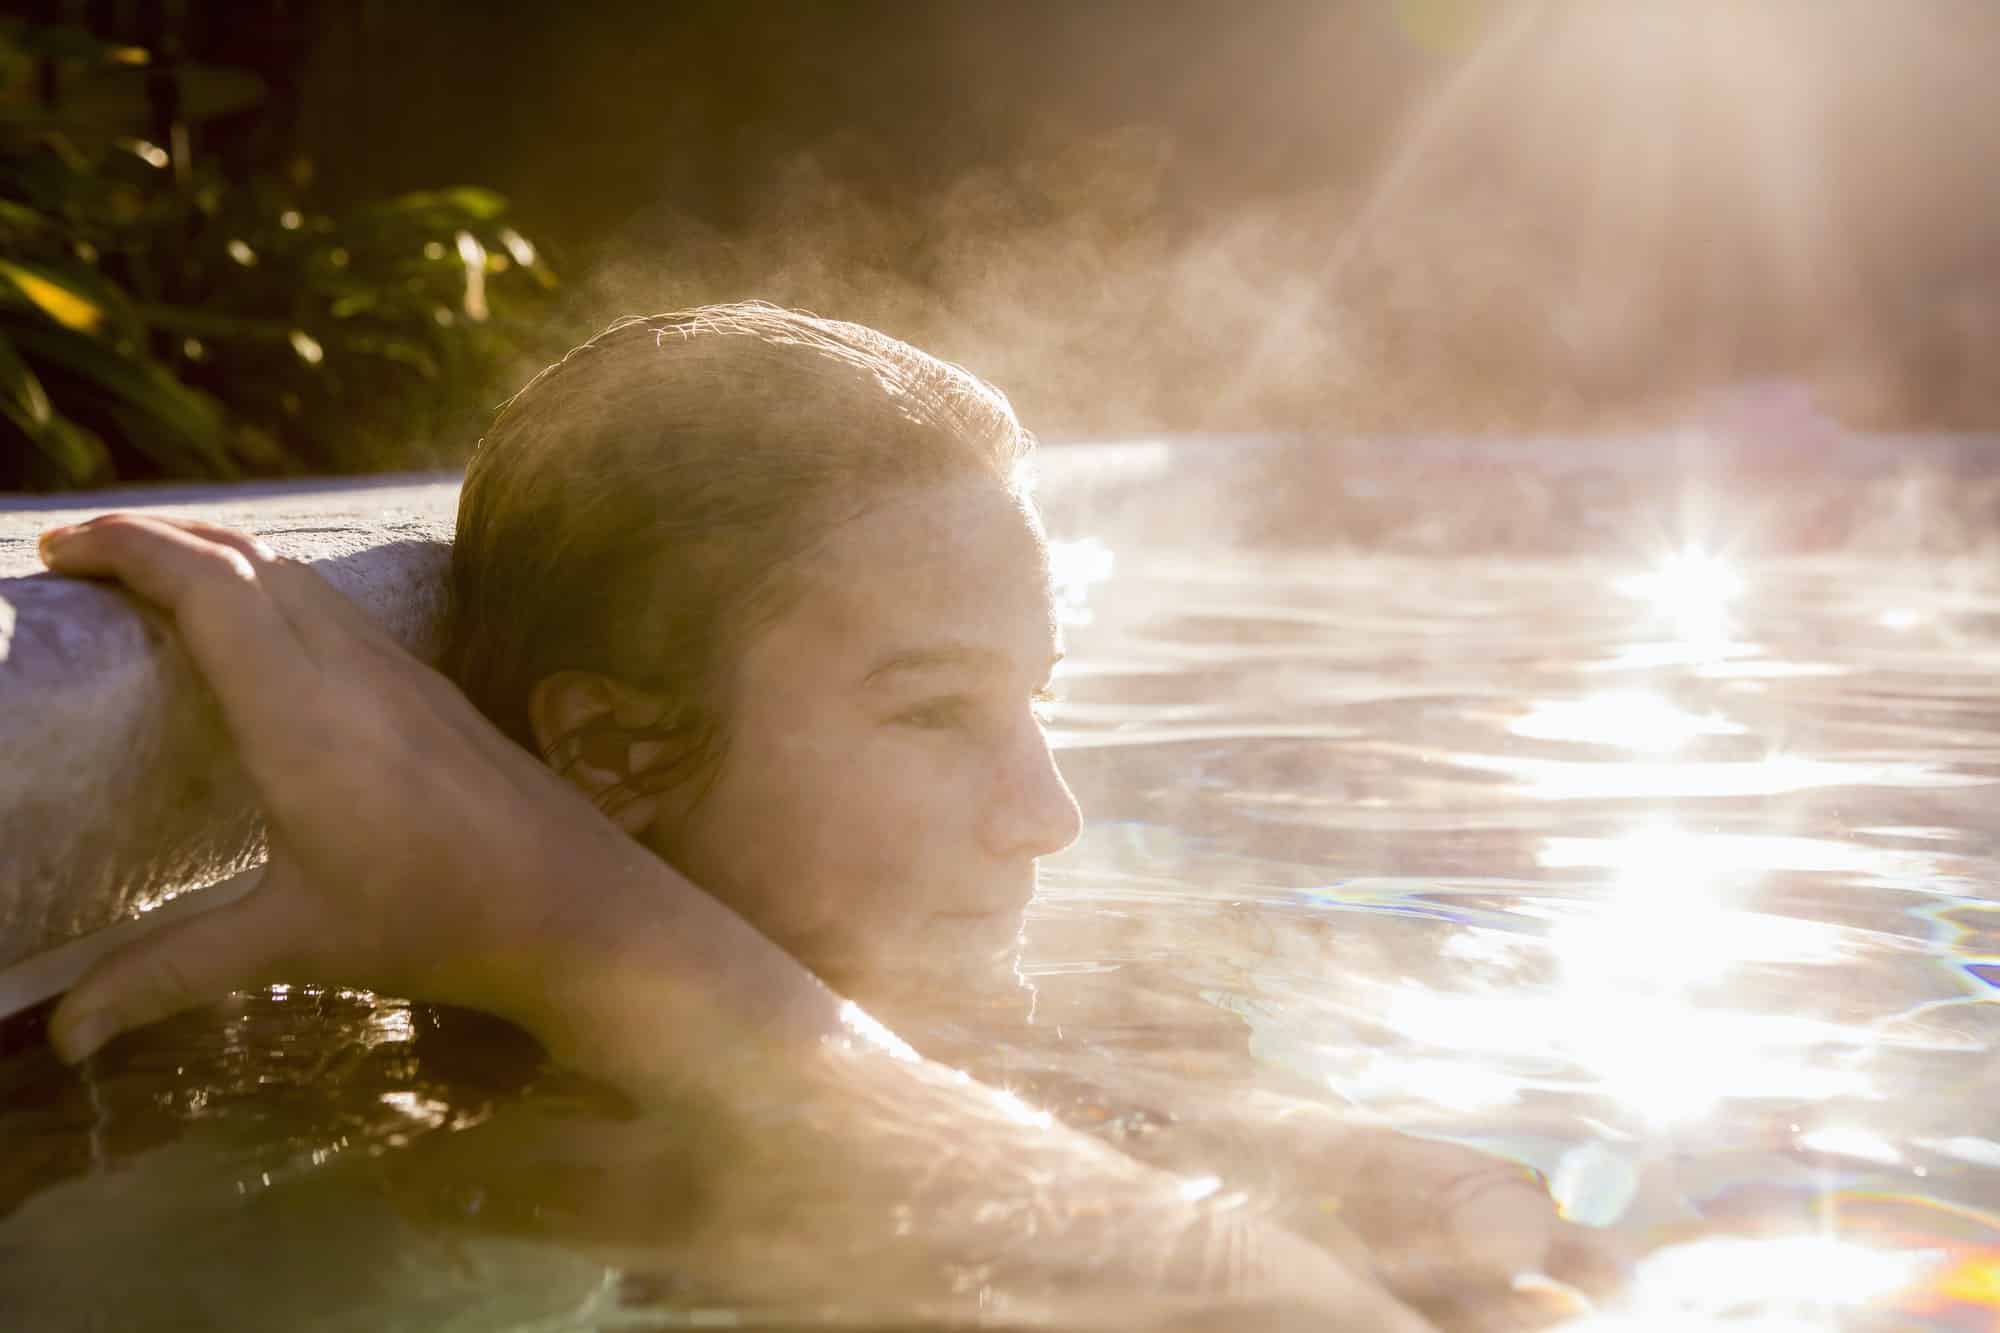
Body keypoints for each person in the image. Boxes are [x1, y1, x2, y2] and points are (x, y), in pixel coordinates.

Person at [35, 305, 1616, 1329]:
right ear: (611, 752)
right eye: (937, 711)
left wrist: (1310, 1152)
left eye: (1038, 701)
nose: (1050, 814)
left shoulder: (1022, 1041)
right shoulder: (455, 1206)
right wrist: (577, 927)